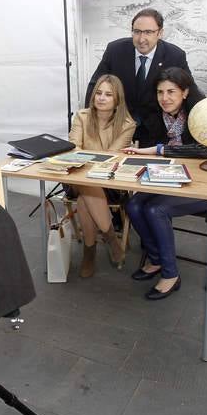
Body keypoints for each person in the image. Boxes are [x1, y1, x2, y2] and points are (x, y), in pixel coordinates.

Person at [121, 67, 207, 300]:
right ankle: (156, 260)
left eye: (171, 91)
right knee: (133, 205)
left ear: (185, 92)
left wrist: (159, 149)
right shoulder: (156, 116)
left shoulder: (200, 115)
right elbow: (147, 149)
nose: (165, 98)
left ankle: (171, 275)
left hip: (202, 186)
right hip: (168, 179)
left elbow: (204, 150)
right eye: (160, 92)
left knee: (155, 209)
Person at [84, 8, 191, 142]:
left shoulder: (174, 56)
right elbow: (95, 85)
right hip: (118, 127)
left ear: (160, 33)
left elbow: (189, 91)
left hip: (157, 131)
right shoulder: (115, 50)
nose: (141, 39)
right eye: (137, 32)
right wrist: (90, 122)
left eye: (148, 32)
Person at [68, 74, 136, 276]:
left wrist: (85, 158)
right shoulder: (82, 116)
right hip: (77, 175)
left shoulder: (127, 124)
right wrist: (83, 159)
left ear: (117, 100)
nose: (101, 98)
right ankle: (111, 239)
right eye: (98, 93)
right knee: (86, 187)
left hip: (109, 180)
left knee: (84, 200)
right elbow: (73, 150)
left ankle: (90, 252)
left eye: (108, 94)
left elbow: (111, 158)